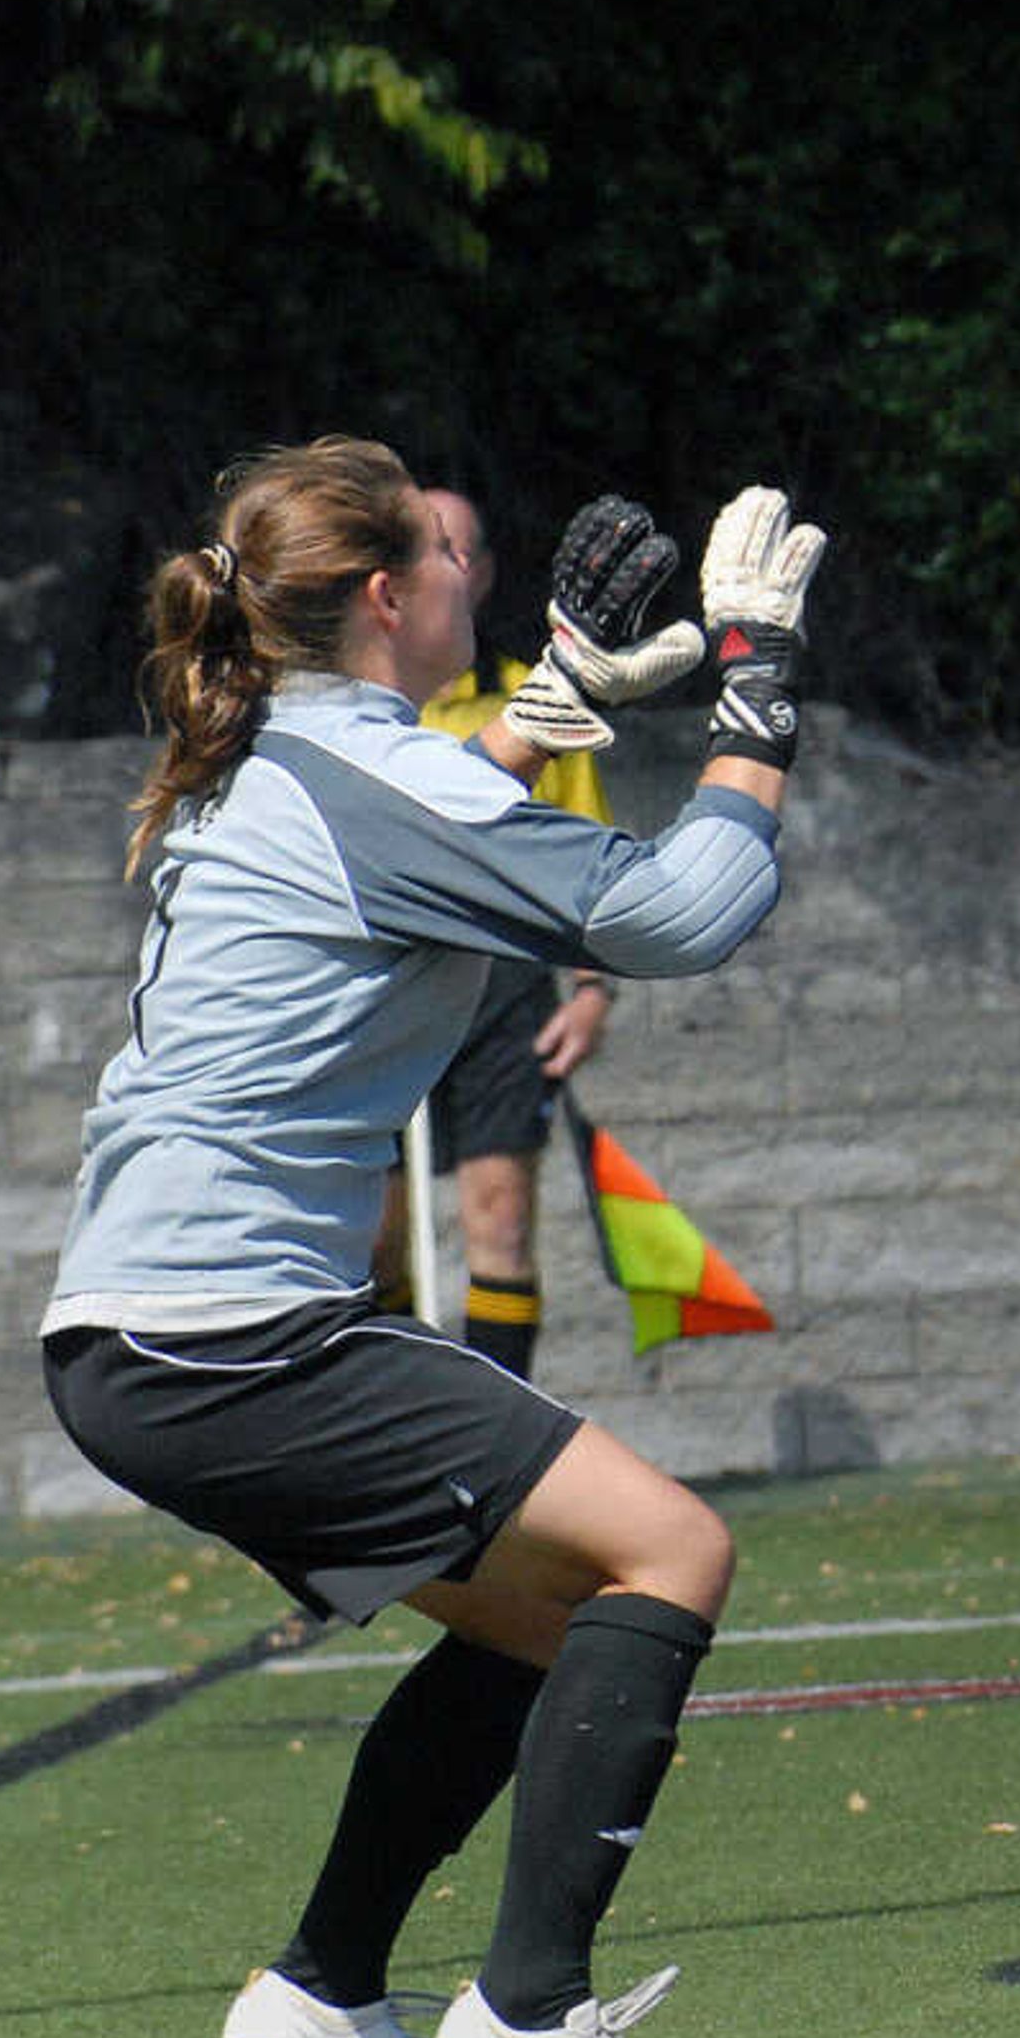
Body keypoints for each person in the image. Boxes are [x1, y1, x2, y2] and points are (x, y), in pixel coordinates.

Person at [41, 442, 818, 2038]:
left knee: (551, 1620)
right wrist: (758, 692)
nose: (483, 567)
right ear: (391, 598)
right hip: (229, 1334)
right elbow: (681, 915)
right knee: (674, 1547)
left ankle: (327, 1992)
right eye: (453, 556)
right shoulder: (370, 773)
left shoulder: (270, 750)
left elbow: (398, 809)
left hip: (141, 1333)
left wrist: (551, 705)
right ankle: (529, 2015)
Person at [373, 487, 627, 1374]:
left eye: (454, 550)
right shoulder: (356, 713)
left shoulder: (531, 698)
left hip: (503, 989)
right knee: (376, 1240)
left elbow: (587, 866)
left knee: (500, 1217)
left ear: (478, 575)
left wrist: (592, 993)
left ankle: (494, 1463)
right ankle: (400, 1445)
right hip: (383, 990)